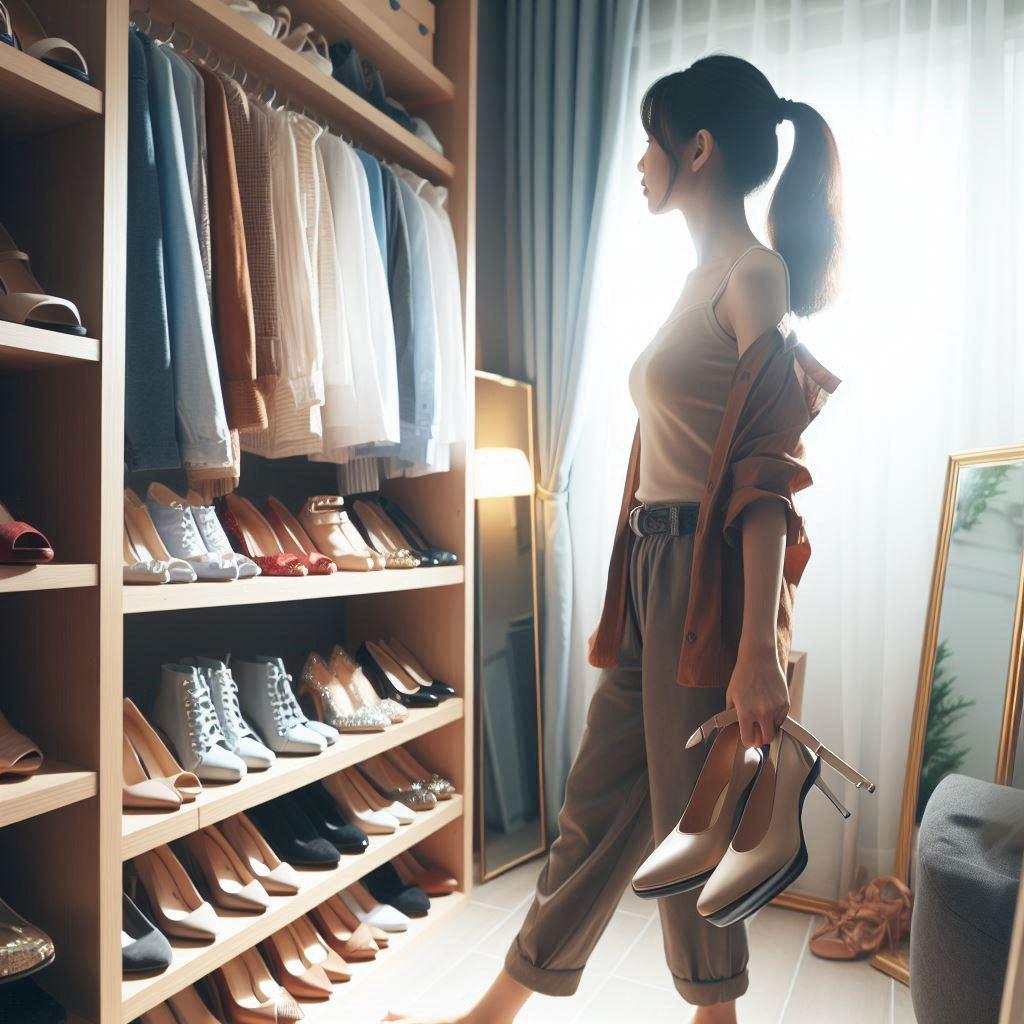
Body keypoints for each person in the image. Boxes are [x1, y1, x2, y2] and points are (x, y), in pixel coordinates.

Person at [387, 52, 844, 1024]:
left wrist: (758, 646)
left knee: (694, 820)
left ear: (698, 149)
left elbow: (767, 474)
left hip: (708, 578)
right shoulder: (697, 279)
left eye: (651, 139)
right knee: (597, 802)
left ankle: (713, 1014)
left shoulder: (753, 274)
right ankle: (496, 1010)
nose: (641, 160)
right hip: (651, 566)